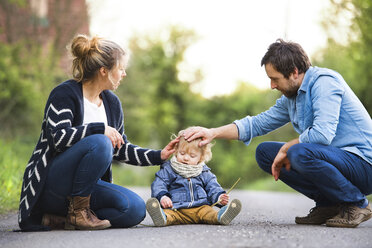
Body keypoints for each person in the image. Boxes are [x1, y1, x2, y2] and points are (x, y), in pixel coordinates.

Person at [183, 39, 372, 228]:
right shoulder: (292, 97)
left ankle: (356, 203)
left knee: (298, 152)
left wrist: (288, 146)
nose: (272, 85)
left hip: (364, 164)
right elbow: (256, 124)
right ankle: (329, 203)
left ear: (294, 72)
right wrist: (212, 132)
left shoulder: (324, 82)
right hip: (338, 163)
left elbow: (323, 134)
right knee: (265, 153)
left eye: (275, 79)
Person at [18, 34, 178, 231]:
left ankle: (60, 218)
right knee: (101, 142)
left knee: (134, 209)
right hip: (52, 185)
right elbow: (58, 139)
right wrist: (99, 128)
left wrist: (158, 155)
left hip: (84, 187)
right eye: (121, 69)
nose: (124, 74)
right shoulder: (64, 94)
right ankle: (76, 214)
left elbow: (120, 148)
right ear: (104, 71)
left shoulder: (112, 103)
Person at [146, 132, 242, 226]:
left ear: (201, 157)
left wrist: (219, 197)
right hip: (177, 209)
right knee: (169, 215)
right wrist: (163, 197)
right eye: (182, 153)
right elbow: (159, 184)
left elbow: (213, 186)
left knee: (210, 213)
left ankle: (221, 216)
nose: (186, 158)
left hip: (200, 208)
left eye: (192, 156)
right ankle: (162, 217)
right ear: (176, 151)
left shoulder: (204, 172)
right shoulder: (169, 169)